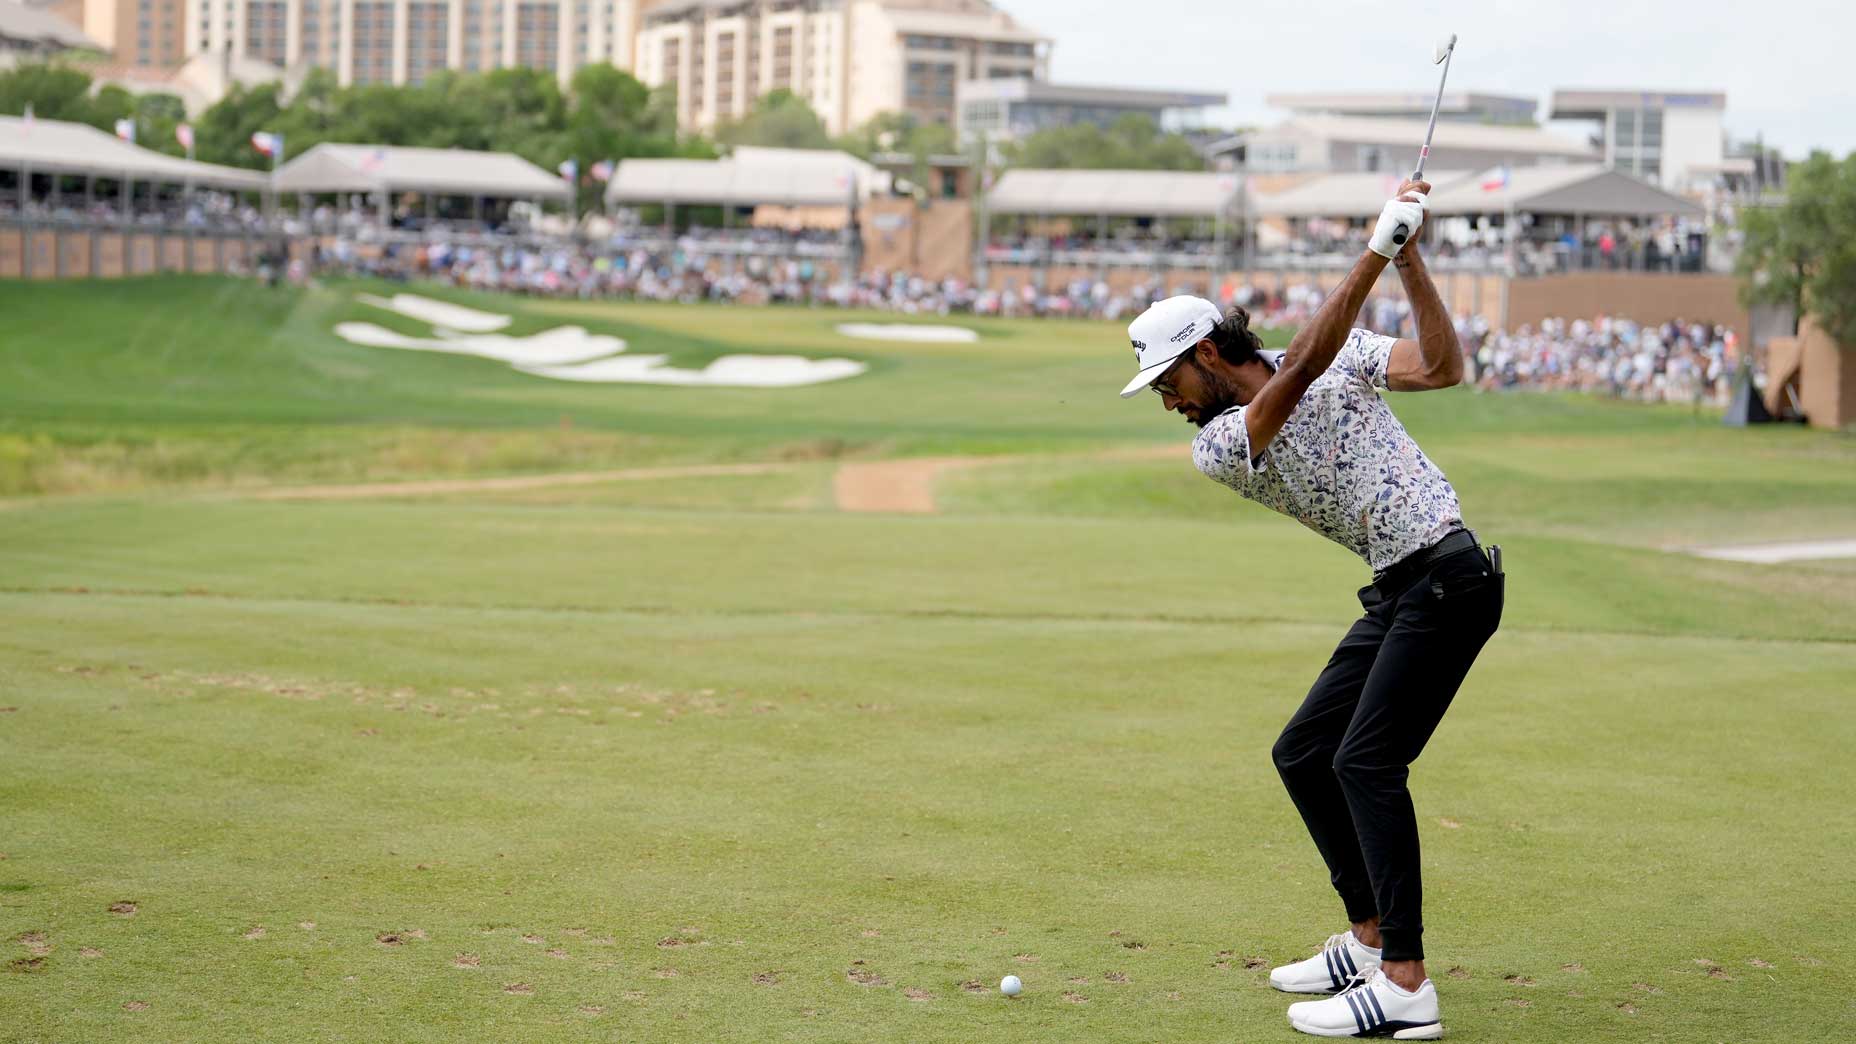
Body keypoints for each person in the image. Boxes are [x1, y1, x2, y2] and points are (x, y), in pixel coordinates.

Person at [1116, 181, 1504, 1039]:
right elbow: (1295, 376)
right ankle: (1368, 940)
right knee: (1304, 753)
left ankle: (1405, 981)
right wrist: (1373, 252)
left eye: (1167, 378)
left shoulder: (1337, 354)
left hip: (1449, 576)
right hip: (1403, 589)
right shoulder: (1219, 443)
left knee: (1364, 763)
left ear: (1209, 352)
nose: (1166, 400)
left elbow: (1443, 366)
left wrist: (1408, 260)